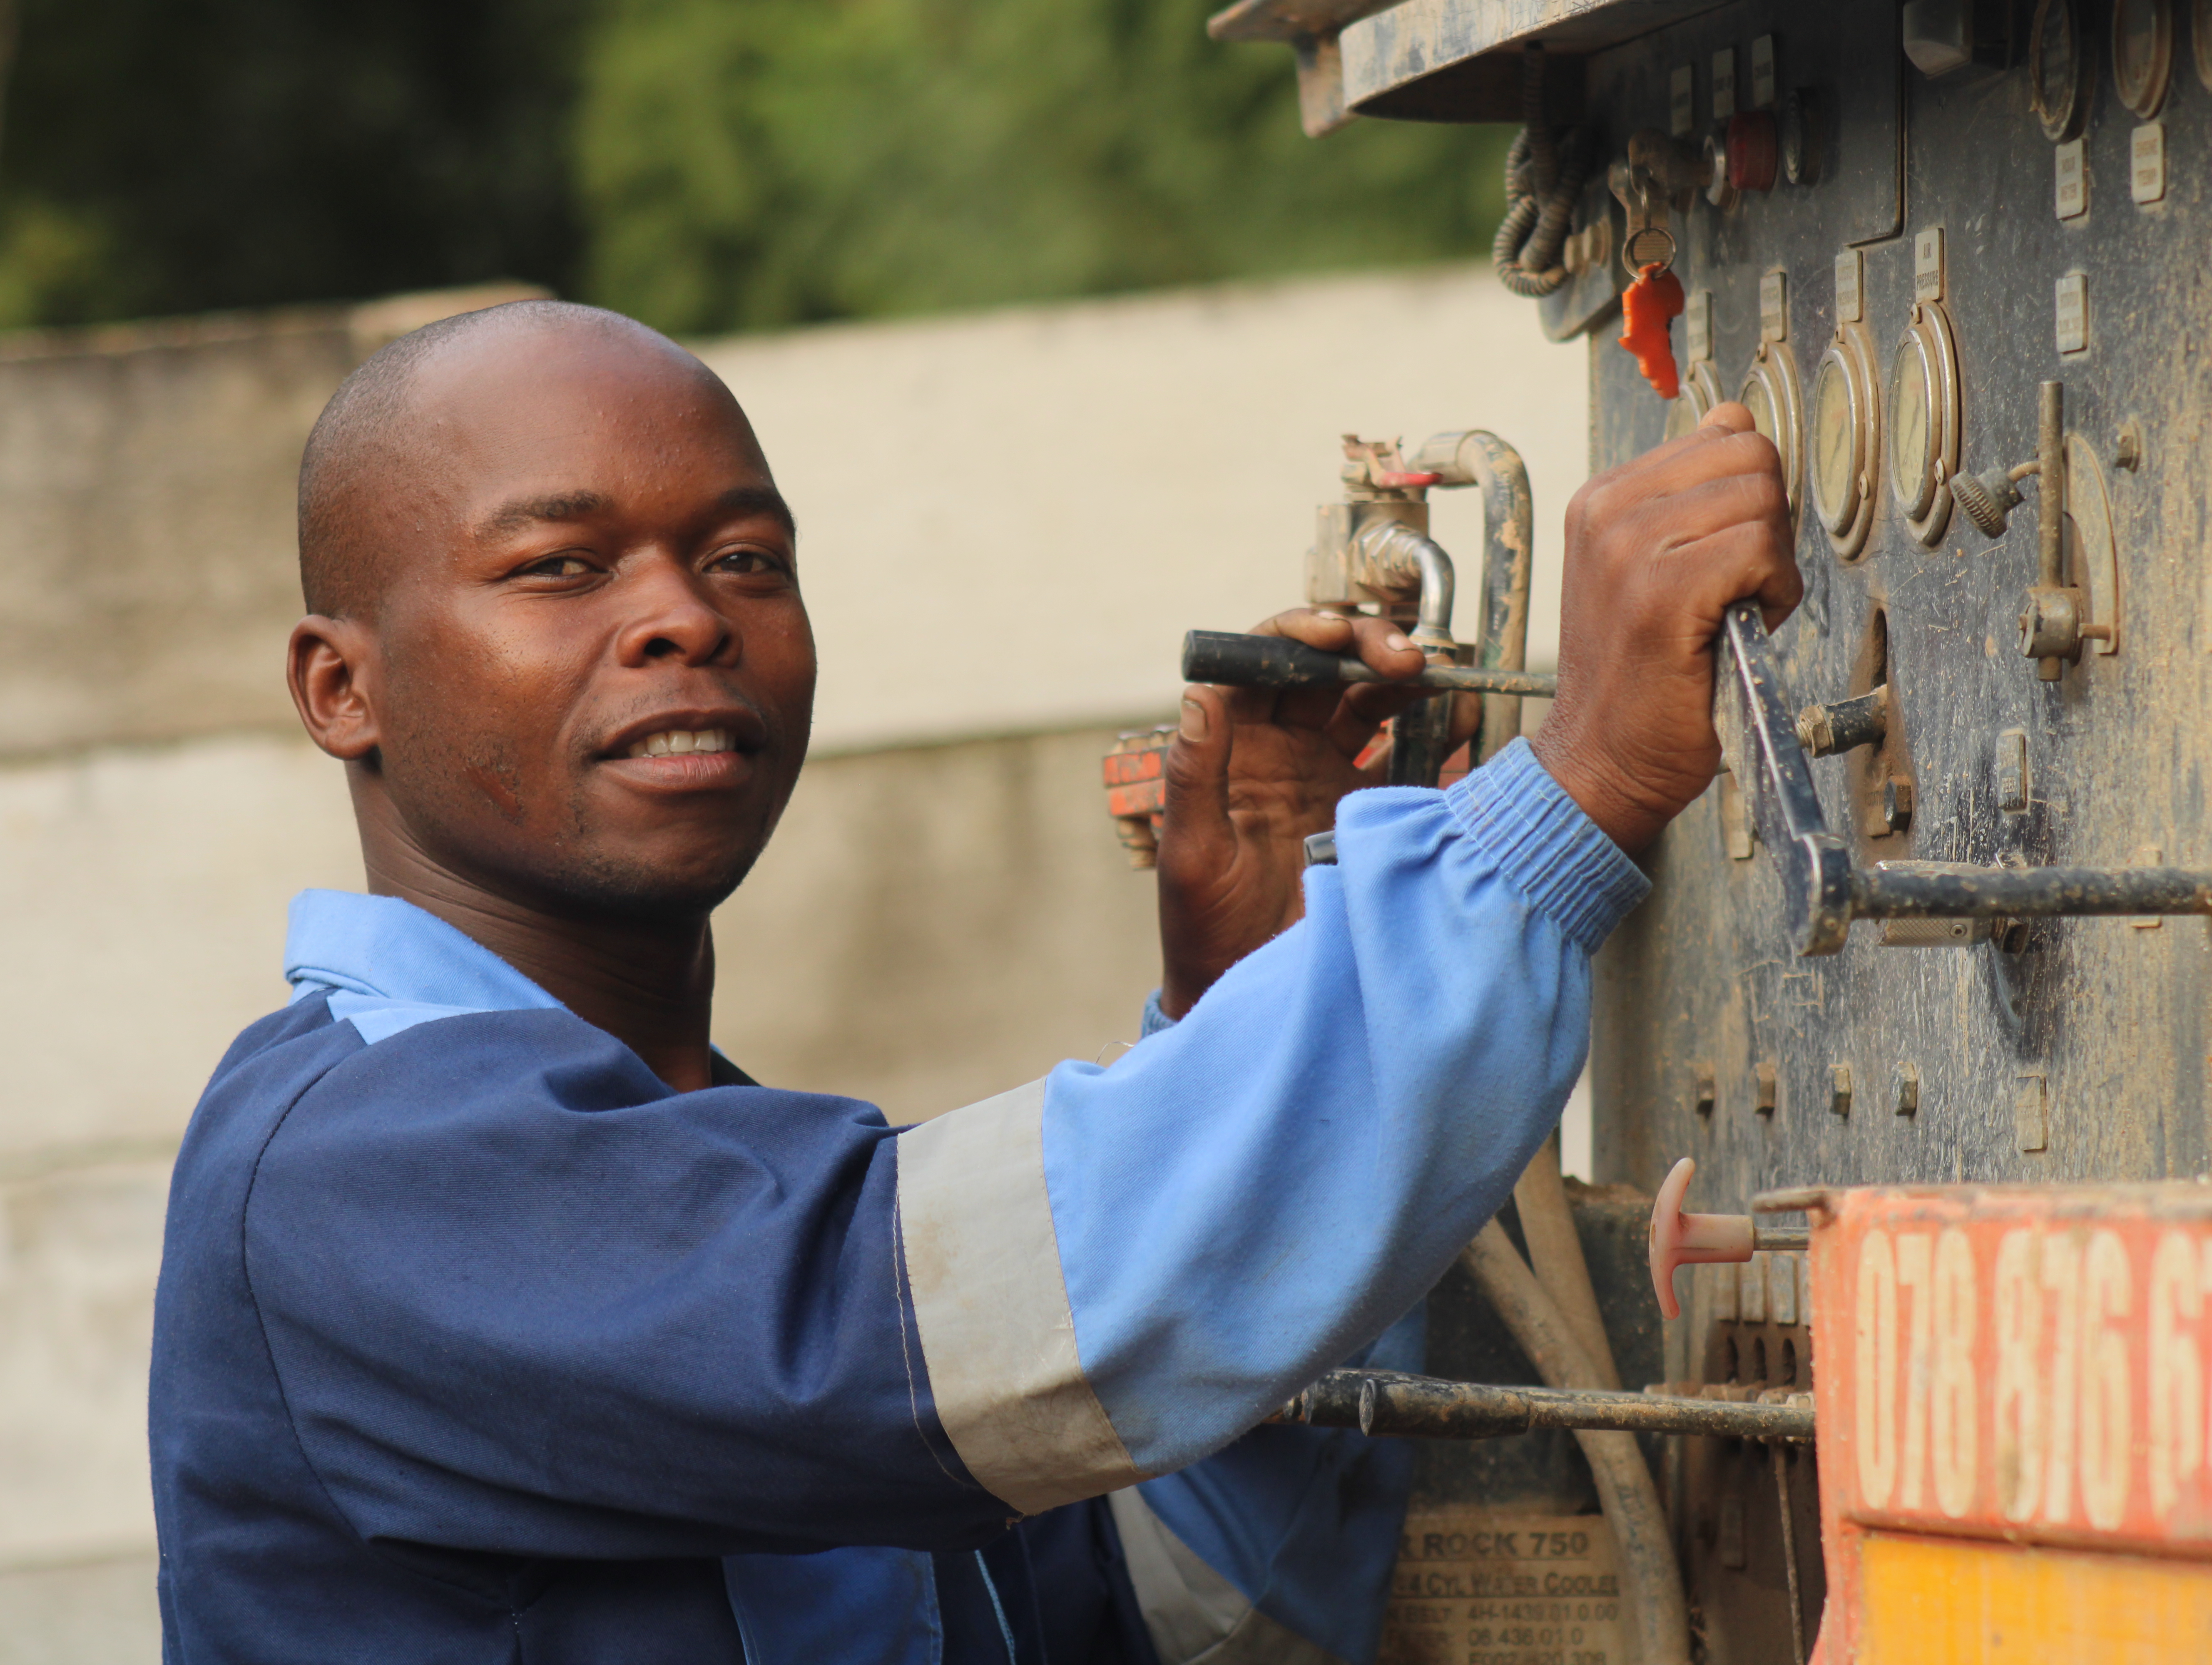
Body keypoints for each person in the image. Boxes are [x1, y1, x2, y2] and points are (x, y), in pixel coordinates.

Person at [148, 300, 1798, 1665]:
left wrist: (1256, 999)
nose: (680, 620)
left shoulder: (712, 1164)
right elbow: (978, 1323)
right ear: (342, 687)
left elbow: (1193, 1613)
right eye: (562, 568)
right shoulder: (357, 1168)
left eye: (742, 560)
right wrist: (1570, 794)